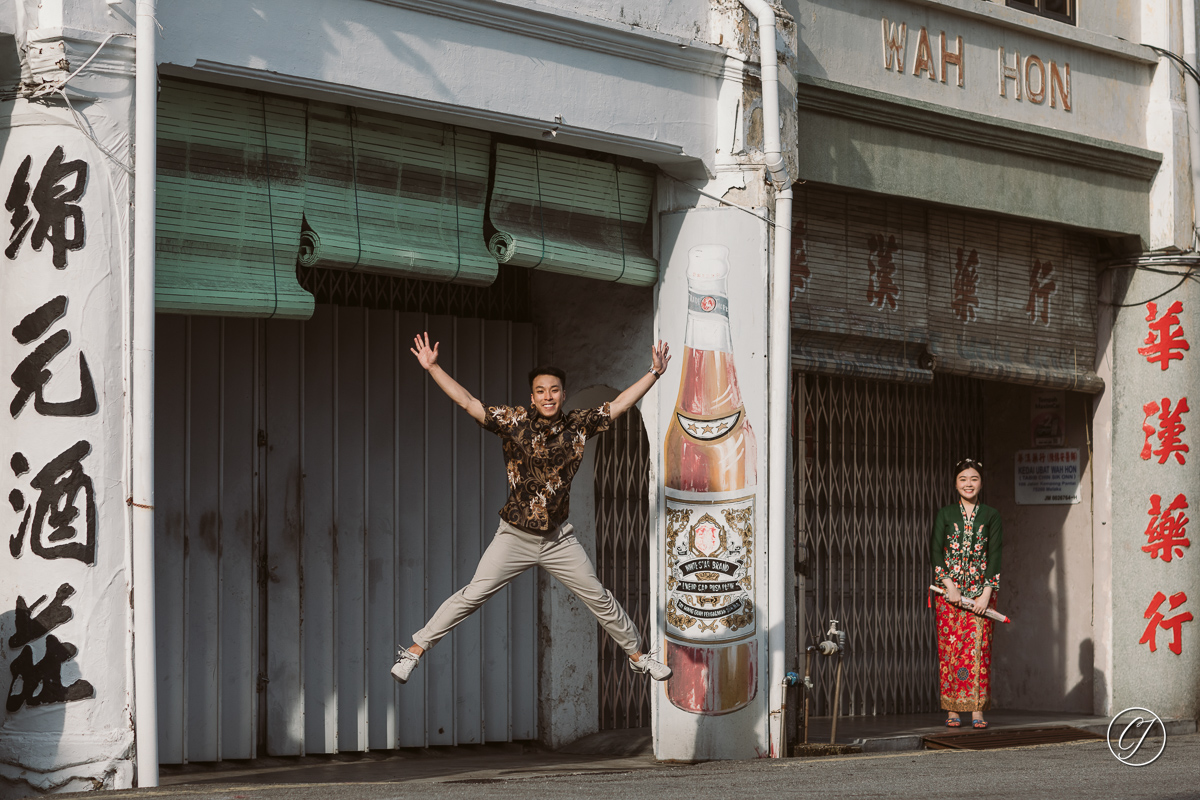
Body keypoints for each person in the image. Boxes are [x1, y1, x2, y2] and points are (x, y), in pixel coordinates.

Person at [391, 332, 674, 685]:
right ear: (532, 396)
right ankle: (414, 651)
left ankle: (637, 656)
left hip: (558, 540)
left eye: (554, 390)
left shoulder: (578, 425)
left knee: (599, 598)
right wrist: (433, 368)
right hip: (514, 537)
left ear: (563, 394)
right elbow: (467, 401)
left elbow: (618, 405)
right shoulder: (514, 423)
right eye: (541, 391)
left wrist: (654, 373)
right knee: (473, 594)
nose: (548, 396)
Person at [930, 458, 1002, 729]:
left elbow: (994, 554)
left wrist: (986, 593)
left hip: (980, 595)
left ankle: (977, 710)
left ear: (981, 483)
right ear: (955, 483)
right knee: (950, 651)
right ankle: (952, 708)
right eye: (963, 479)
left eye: (973, 479)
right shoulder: (945, 514)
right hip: (949, 595)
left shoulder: (991, 515)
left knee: (978, 651)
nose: (968, 484)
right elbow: (936, 550)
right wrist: (949, 585)